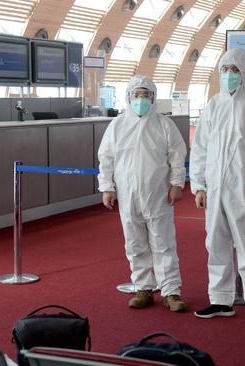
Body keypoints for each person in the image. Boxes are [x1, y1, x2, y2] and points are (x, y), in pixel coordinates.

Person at [190, 48, 245, 328]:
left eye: (234, 70)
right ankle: (221, 299)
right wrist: (199, 185)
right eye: (225, 70)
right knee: (215, 244)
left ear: (244, 73)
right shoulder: (213, 105)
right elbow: (201, 147)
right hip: (214, 189)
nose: (229, 75)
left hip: (243, 189)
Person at [98, 75, 188, 312]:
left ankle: (171, 291)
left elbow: (177, 156)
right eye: (136, 95)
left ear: (153, 98)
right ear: (128, 97)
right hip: (128, 195)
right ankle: (143, 288)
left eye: (145, 95)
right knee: (135, 243)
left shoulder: (164, 125)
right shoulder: (117, 125)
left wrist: (177, 184)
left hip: (158, 193)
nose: (141, 99)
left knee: (163, 242)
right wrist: (107, 187)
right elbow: (106, 158)